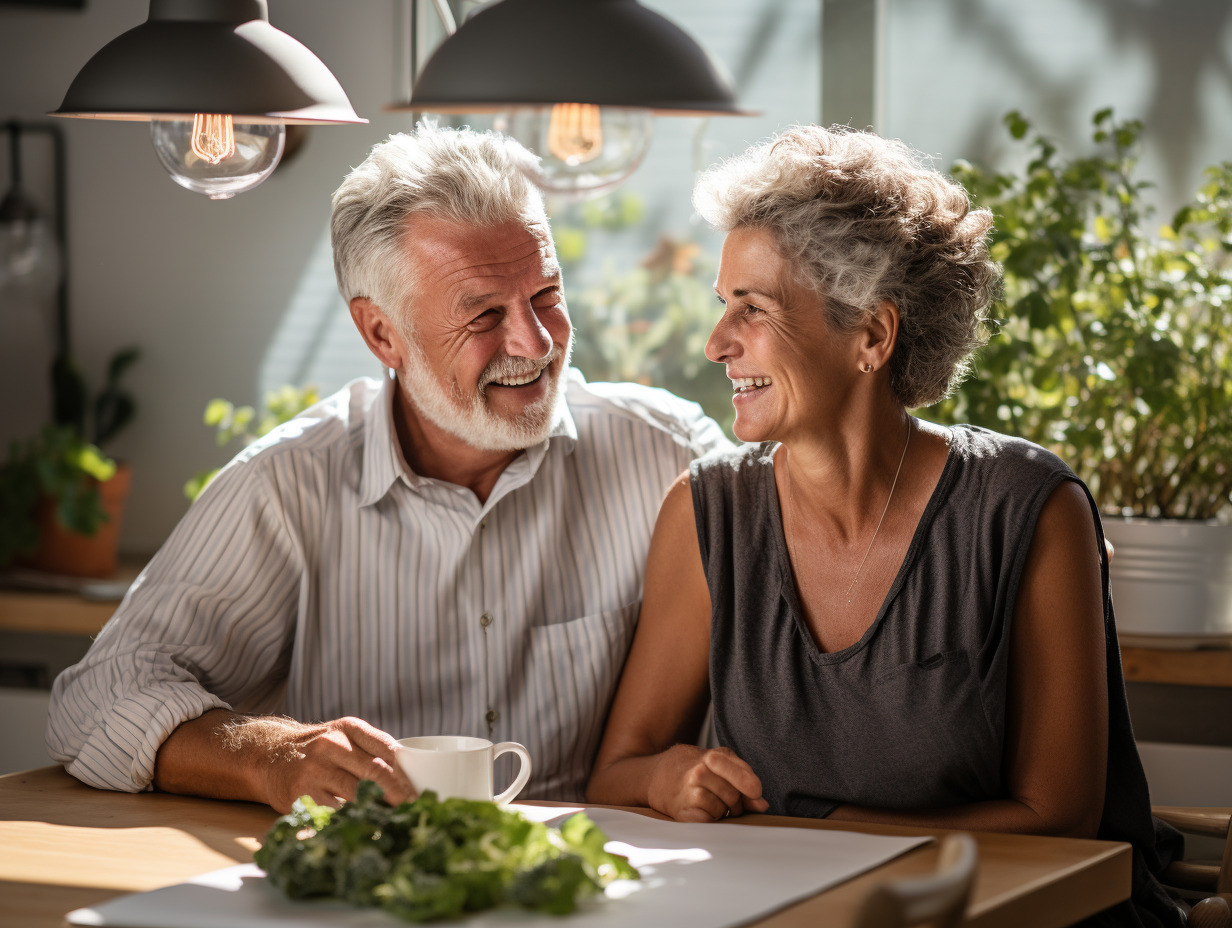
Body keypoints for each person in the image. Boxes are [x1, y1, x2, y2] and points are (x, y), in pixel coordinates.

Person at [586, 125, 1183, 928]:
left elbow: (1058, 819)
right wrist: (667, 779)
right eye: (722, 305)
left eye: (752, 308)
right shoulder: (707, 511)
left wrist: (817, 838)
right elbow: (617, 773)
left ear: (871, 334)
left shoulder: (1028, 507)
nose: (716, 343)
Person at [46, 125, 728, 813]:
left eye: (546, 293)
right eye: (485, 314)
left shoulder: (671, 456)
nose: (537, 341)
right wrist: (270, 758)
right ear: (381, 334)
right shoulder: (288, 487)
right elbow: (95, 699)